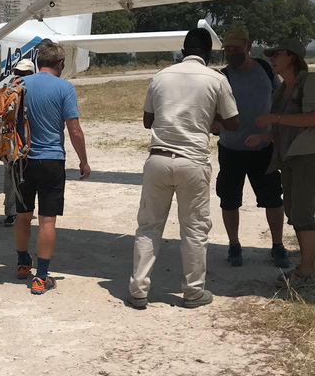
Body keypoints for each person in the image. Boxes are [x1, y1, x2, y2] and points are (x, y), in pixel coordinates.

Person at [129, 28, 239, 310]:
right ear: (208, 53)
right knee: (194, 230)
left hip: (159, 158)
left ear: (182, 51)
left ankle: (139, 290)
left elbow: (147, 121)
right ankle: (193, 292)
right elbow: (233, 122)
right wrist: (209, 117)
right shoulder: (217, 79)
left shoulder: (161, 76)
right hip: (193, 161)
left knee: (149, 227)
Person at [13, 41, 91, 295]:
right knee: (47, 220)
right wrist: (83, 160)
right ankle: (41, 277)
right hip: (51, 160)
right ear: (60, 64)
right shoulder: (65, 88)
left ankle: (23, 263)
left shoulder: (20, 85)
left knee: (23, 215)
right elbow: (75, 130)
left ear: (37, 62)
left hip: (22, 160)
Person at [212, 28, 289, 268]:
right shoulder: (222, 77)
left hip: (263, 150)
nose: (232, 53)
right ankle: (234, 246)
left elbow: (280, 99)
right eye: (228, 49)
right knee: (229, 200)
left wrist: (273, 130)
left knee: (273, 199)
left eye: (236, 48)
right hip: (230, 150)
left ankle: (278, 246)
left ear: (249, 45)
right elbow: (214, 112)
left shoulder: (266, 70)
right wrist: (215, 125)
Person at [247, 38, 315, 288]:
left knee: (305, 213)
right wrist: (263, 135)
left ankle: (307, 271)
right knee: (295, 213)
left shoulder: (308, 82)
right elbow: (282, 127)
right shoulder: (281, 89)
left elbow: (312, 118)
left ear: (293, 57)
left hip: (307, 157)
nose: (272, 58)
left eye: (277, 54)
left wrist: (275, 117)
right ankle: (306, 266)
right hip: (288, 158)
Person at [3, 58, 35, 227]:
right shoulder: (28, 89)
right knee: (23, 178)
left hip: (7, 141)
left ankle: (10, 213)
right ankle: (22, 210)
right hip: (22, 141)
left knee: (10, 177)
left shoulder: (8, 87)